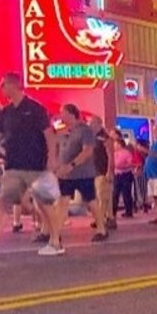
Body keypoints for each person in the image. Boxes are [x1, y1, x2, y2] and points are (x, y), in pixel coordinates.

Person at [0, 72, 58, 258]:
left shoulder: (35, 109)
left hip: (36, 165)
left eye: (3, 85)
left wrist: (52, 158)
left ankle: (55, 241)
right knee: (3, 204)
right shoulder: (6, 112)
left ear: (13, 85)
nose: (1, 88)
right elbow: (0, 135)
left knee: (45, 204)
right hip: (13, 166)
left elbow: (49, 134)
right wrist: (2, 149)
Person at [54, 103, 107, 245]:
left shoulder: (85, 130)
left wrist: (72, 165)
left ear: (71, 114)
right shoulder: (65, 132)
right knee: (63, 202)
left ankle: (101, 229)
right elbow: (59, 151)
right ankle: (55, 233)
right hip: (66, 174)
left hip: (83, 173)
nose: (61, 116)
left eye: (63, 113)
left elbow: (87, 151)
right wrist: (58, 167)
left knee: (91, 201)